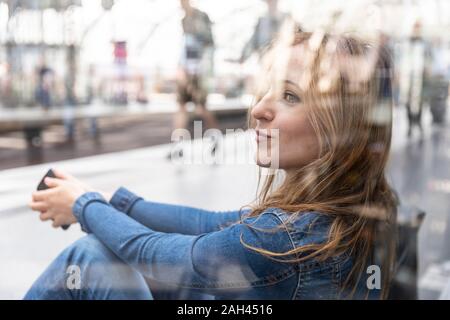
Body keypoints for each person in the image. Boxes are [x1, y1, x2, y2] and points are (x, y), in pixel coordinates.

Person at [25, 29, 398, 300]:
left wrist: (82, 206)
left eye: (289, 96)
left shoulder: (287, 237)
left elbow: (158, 254)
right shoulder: (344, 211)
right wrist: (108, 200)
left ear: (342, 126)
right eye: (267, 90)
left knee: (90, 258)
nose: (258, 110)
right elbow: (212, 225)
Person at [169, 0, 219, 160]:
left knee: (201, 108)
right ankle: (177, 145)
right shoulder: (183, 20)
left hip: (199, 72)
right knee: (181, 106)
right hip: (186, 70)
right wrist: (181, 68)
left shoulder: (201, 17)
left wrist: (201, 70)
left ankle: (215, 137)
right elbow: (185, 46)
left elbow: (208, 44)